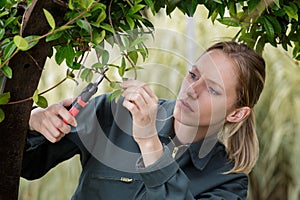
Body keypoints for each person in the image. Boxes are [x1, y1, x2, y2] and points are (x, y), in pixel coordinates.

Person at [22, 41, 266, 199]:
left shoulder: (228, 182)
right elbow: (26, 164)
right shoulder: (117, 112)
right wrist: (33, 119)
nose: (192, 90)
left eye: (212, 90)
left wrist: (149, 142)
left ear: (237, 113)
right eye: (193, 75)